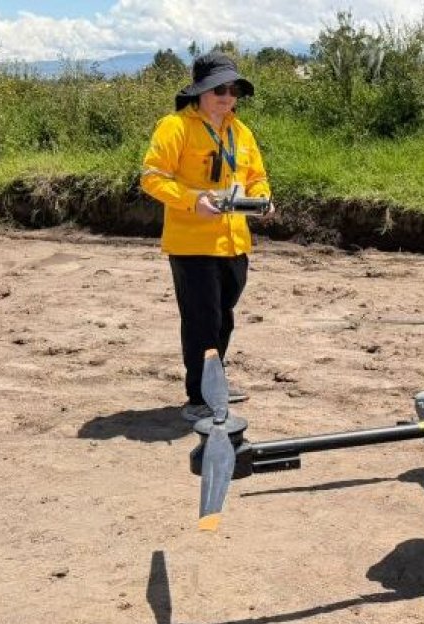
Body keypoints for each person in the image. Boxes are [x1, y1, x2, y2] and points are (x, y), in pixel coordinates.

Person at [141, 51, 274, 421]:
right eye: (219, 88)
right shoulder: (175, 126)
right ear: (200, 91)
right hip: (192, 244)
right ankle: (199, 396)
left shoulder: (241, 132)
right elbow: (152, 177)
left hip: (234, 242)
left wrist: (262, 199)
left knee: (223, 318)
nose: (227, 96)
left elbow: (256, 177)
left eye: (233, 89)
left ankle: (215, 385)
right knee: (201, 320)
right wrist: (191, 201)